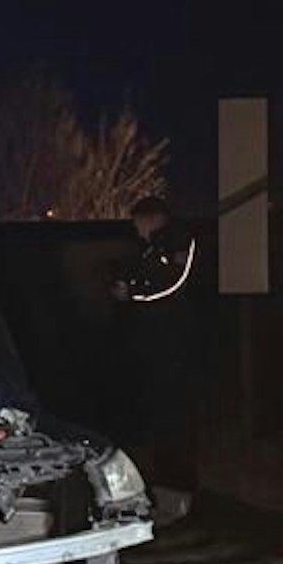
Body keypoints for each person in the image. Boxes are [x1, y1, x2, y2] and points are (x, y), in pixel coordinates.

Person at [111, 194, 199, 519]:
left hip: (174, 344)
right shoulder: (148, 250)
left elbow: (174, 286)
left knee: (175, 417)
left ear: (150, 219)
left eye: (137, 222)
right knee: (158, 417)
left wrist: (134, 295)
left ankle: (180, 490)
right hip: (152, 346)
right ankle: (163, 491)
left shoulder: (179, 242)